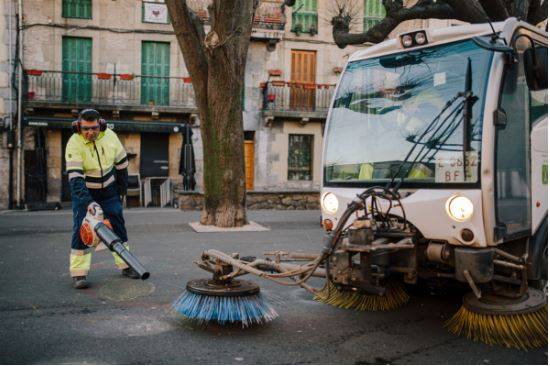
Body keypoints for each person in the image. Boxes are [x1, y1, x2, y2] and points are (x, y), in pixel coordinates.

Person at [65, 109, 140, 289]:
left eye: (93, 128)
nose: (90, 132)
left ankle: (126, 265)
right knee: (82, 229)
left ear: (101, 125)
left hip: (109, 191)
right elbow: (75, 178)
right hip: (86, 191)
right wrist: (87, 202)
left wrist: (121, 191)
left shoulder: (110, 136)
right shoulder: (74, 143)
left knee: (117, 225)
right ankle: (79, 274)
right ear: (78, 127)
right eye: (85, 129)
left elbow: (122, 166)